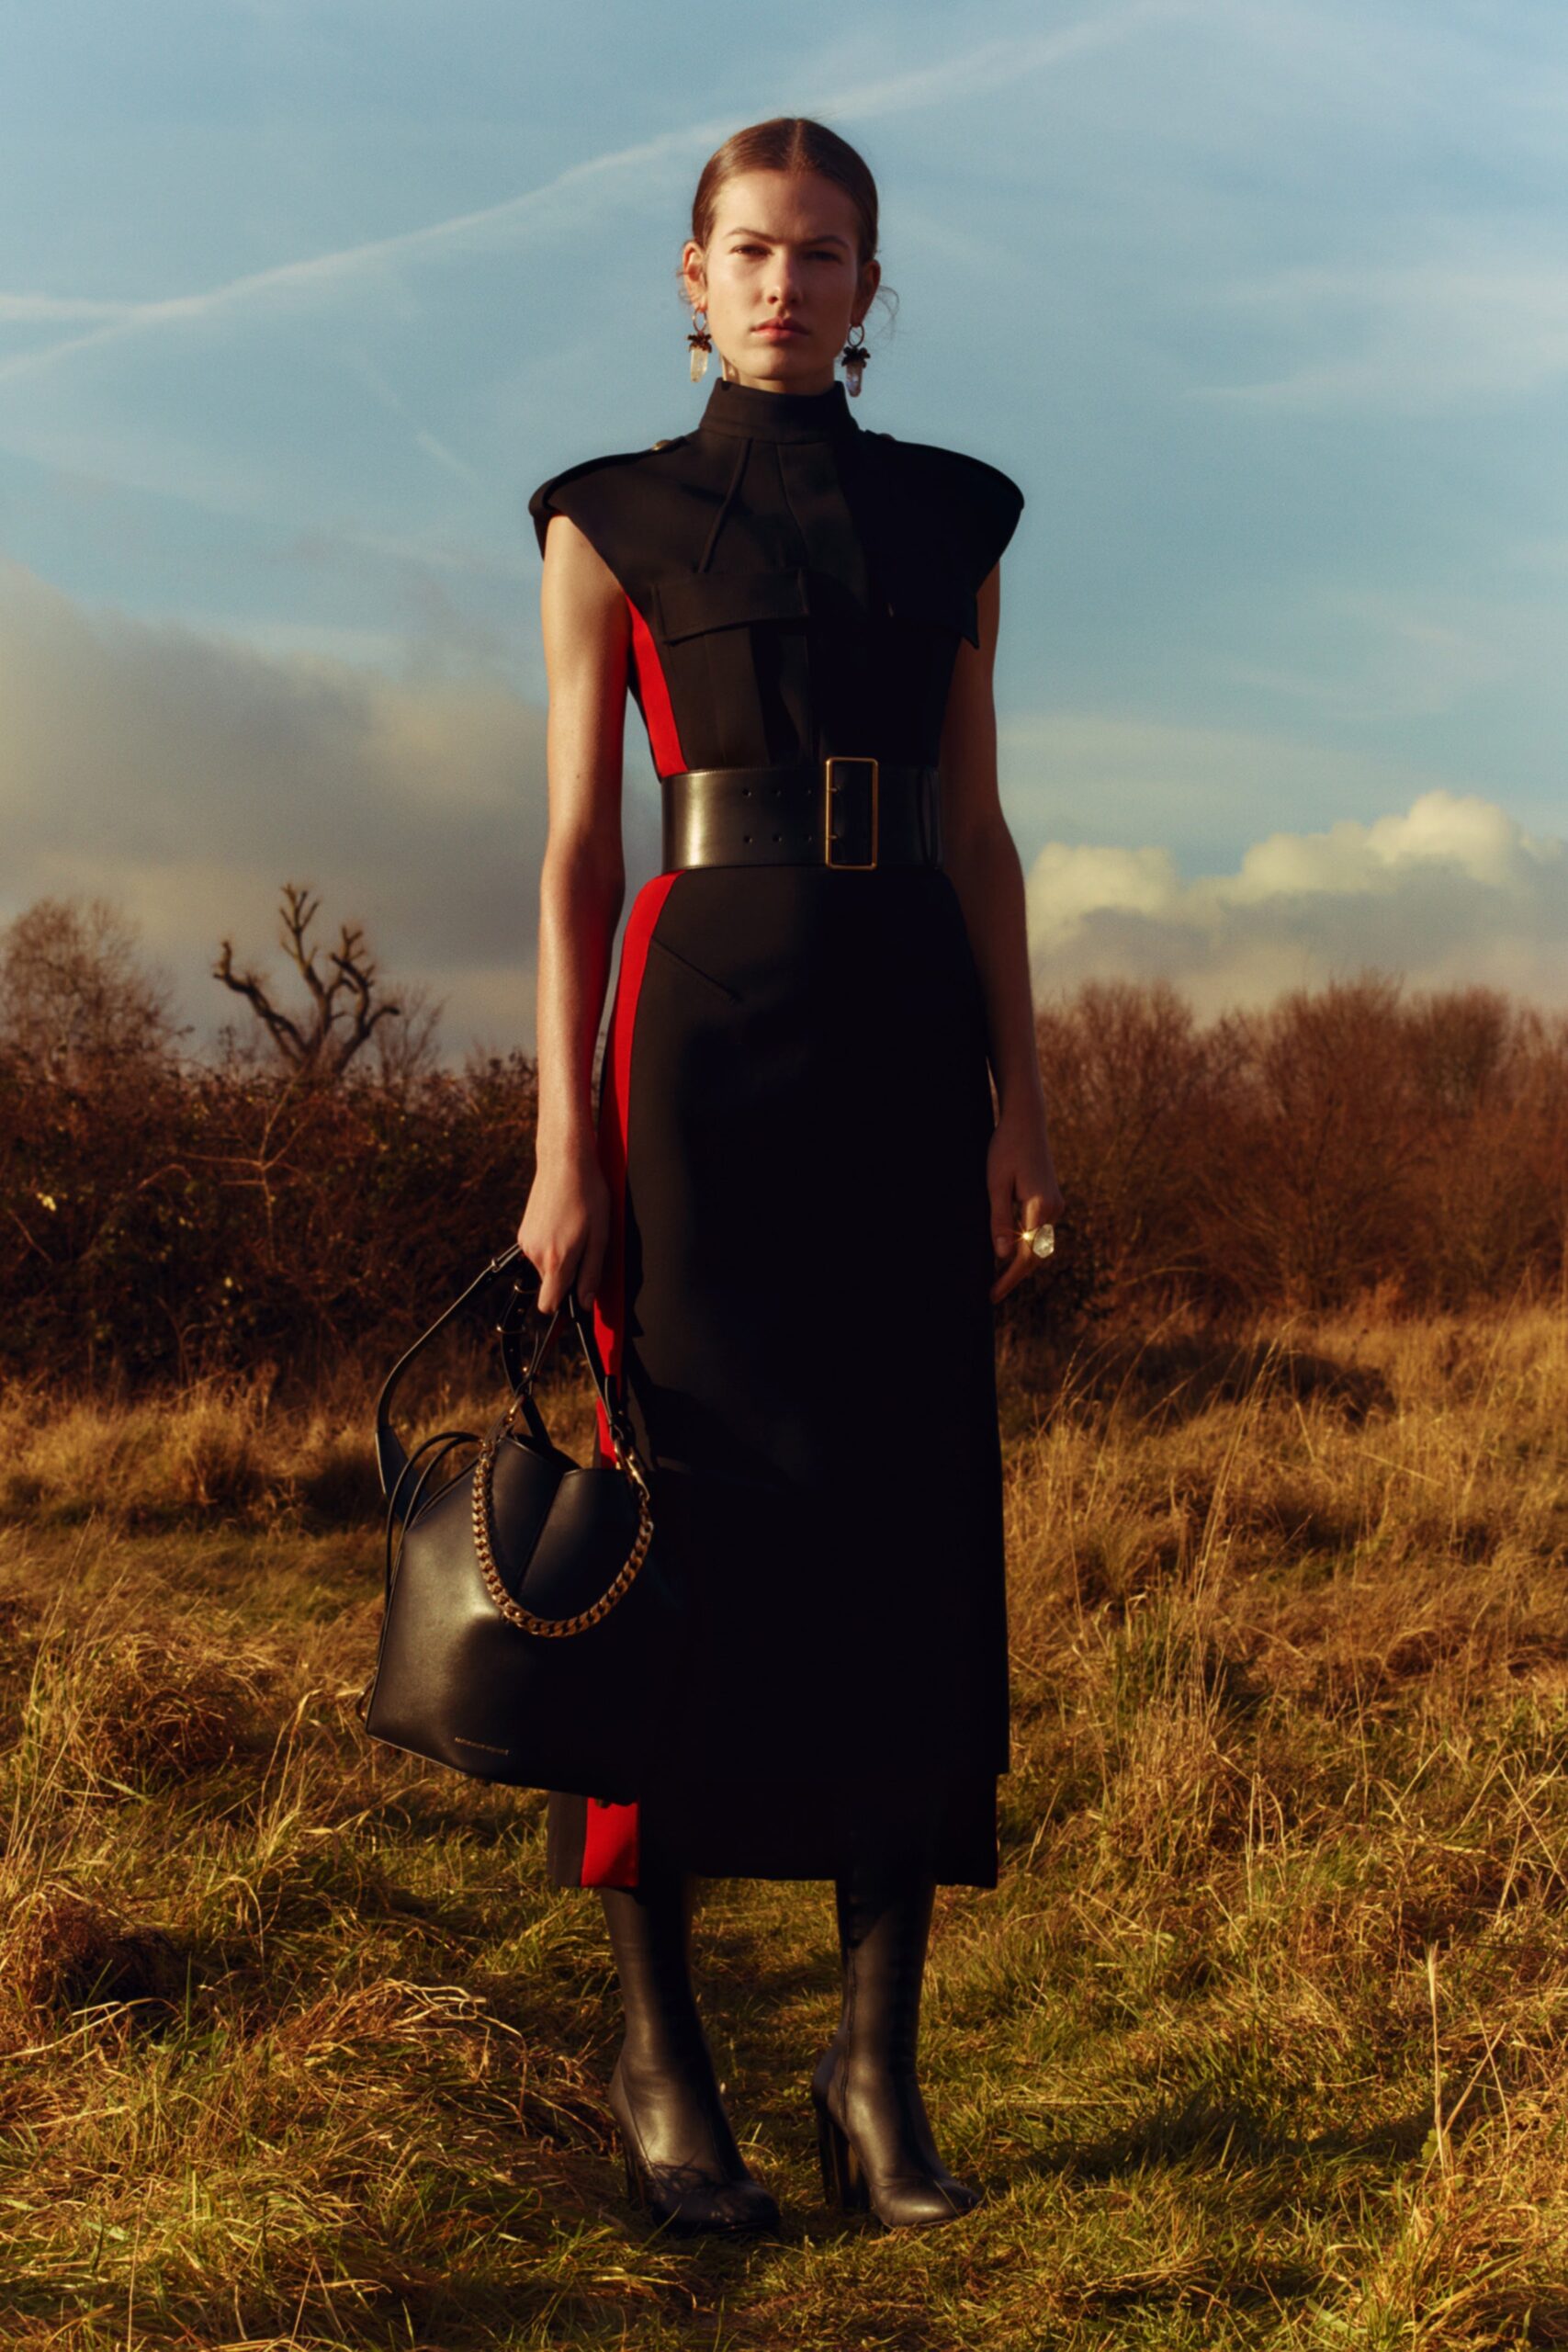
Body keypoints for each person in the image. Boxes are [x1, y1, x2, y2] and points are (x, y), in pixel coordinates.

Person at [516, 115, 1064, 2237]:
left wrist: (1022, 1103)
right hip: (697, 1039)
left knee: (909, 1521)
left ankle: (872, 2068)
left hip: (905, 1032)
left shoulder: (956, 517)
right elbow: (577, 848)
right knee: (675, 1519)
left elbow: (984, 830)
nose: (783, 284)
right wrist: (562, 1137)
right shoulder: (606, 518)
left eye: (823, 253)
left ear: (867, 285)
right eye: (748, 250)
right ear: (688, 273)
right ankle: (662, 2054)